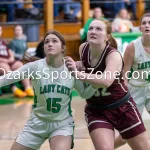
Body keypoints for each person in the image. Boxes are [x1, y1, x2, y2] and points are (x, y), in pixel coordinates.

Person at [0, 30, 96, 150]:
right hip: (36, 123)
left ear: (63, 48)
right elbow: (5, 79)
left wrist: (97, 83)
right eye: (46, 42)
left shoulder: (71, 68)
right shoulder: (35, 67)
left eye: (54, 41)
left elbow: (84, 93)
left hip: (62, 125)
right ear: (44, 48)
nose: (50, 44)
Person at [65, 19, 150, 150]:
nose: (93, 31)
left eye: (99, 29)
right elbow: (87, 68)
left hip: (122, 107)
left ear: (107, 37)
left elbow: (106, 81)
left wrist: (78, 74)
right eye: (91, 28)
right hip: (96, 109)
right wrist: (76, 65)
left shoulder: (113, 55)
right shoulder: (83, 48)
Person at [114, 13, 150, 148]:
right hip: (134, 91)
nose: (147, 25)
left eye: (149, 23)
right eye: (144, 23)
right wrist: (123, 95)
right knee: (126, 137)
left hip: (149, 87)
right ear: (140, 28)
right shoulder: (132, 47)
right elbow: (124, 74)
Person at [0, 26, 33, 98]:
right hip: (2, 62)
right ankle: (14, 88)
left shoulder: (2, 41)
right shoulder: (13, 42)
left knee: (21, 65)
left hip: (9, 61)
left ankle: (28, 88)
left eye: (0, 30)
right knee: (5, 67)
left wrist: (11, 57)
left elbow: (9, 51)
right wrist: (4, 60)